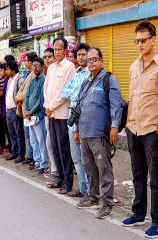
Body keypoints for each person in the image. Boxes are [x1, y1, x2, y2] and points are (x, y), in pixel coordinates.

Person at [121, 20, 158, 238]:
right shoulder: (134, 66)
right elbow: (133, 98)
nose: (140, 45)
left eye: (144, 40)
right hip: (133, 130)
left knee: (156, 180)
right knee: (137, 176)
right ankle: (139, 213)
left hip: (153, 132)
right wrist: (127, 124)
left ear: (153, 39)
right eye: (137, 41)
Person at [75, 48, 123, 219]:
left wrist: (115, 127)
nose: (91, 63)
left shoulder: (109, 80)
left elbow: (116, 105)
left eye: (95, 59)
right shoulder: (86, 82)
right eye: (89, 60)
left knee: (104, 169)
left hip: (100, 133)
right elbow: (80, 106)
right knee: (89, 167)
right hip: (85, 133)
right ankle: (93, 197)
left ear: (102, 61)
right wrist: (77, 130)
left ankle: (107, 203)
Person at [43, 38, 76, 194]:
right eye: (55, 49)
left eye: (59, 49)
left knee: (64, 149)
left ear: (65, 50)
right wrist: (47, 107)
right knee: (54, 147)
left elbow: (65, 92)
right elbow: (47, 88)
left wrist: (51, 106)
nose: (57, 52)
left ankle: (68, 182)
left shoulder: (70, 67)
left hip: (62, 114)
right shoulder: (51, 68)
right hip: (51, 114)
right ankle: (59, 177)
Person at [61, 43, 91, 198]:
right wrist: (75, 92)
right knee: (76, 158)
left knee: (87, 159)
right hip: (72, 119)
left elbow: (82, 96)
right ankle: (82, 188)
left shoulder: (90, 74)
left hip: (85, 120)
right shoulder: (77, 73)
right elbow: (64, 92)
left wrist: (74, 93)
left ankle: (91, 192)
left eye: (83, 54)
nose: (80, 57)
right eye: (78, 55)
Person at [25, 57, 49, 174]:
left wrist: (31, 111)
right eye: (33, 65)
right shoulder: (33, 80)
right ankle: (37, 162)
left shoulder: (44, 80)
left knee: (41, 141)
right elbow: (28, 96)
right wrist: (26, 110)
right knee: (33, 141)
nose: (35, 67)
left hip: (38, 115)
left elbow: (41, 100)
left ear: (42, 66)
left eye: (37, 65)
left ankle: (44, 164)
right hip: (30, 116)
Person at [15, 51, 38, 165]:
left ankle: (34, 159)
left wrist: (17, 97)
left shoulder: (34, 75)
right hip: (25, 109)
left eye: (26, 61)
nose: (24, 63)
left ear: (30, 61)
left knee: (33, 137)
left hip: (31, 110)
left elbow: (27, 92)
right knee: (29, 136)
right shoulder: (29, 74)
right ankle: (31, 157)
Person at [5, 61, 26, 162]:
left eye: (8, 69)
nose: (6, 71)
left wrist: (18, 107)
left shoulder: (20, 79)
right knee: (11, 133)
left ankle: (20, 154)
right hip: (8, 110)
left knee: (18, 134)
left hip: (15, 110)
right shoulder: (9, 80)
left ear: (13, 70)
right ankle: (14, 152)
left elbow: (21, 95)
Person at [43, 47, 57, 178]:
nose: (47, 59)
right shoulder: (47, 72)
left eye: (49, 56)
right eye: (45, 57)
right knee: (49, 145)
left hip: (57, 114)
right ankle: (54, 169)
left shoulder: (60, 71)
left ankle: (57, 171)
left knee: (55, 146)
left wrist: (51, 108)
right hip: (47, 114)